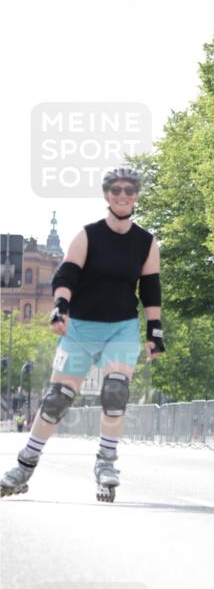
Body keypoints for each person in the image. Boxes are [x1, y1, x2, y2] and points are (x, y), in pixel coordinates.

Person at [0, 167, 165, 502]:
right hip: (81, 327)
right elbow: (67, 274)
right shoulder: (88, 235)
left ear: (136, 196)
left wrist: (154, 332)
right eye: (116, 190)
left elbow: (150, 288)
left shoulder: (146, 242)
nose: (122, 195)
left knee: (116, 390)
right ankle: (24, 466)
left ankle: (106, 463)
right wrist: (60, 306)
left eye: (129, 190)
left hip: (120, 326)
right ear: (106, 195)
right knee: (57, 397)